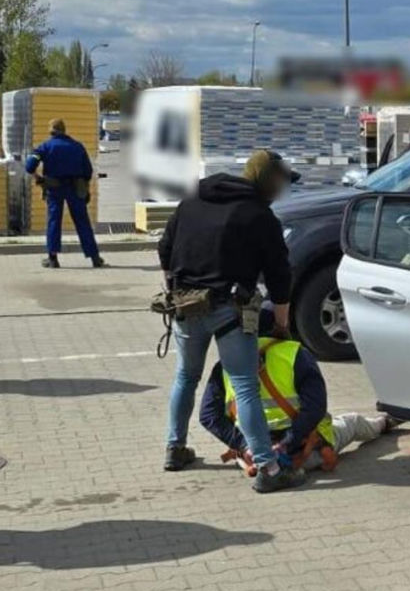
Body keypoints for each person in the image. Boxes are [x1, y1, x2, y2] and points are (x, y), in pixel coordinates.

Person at [157, 149, 304, 494]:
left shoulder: (193, 199)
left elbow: (165, 248)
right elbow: (280, 276)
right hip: (230, 310)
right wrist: (281, 324)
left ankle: (174, 448)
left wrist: (173, 288)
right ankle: (268, 467)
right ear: (267, 180)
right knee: (244, 384)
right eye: (282, 182)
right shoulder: (259, 216)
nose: (283, 190)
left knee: (186, 376)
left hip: (185, 304)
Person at [199, 309, 394, 475]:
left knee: (249, 453)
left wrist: (244, 445)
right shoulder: (295, 353)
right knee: (352, 422)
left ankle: (251, 461)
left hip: (256, 453)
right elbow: (316, 407)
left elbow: (208, 416)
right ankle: (387, 422)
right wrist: (286, 444)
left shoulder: (226, 363)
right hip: (301, 449)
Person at [25, 119, 104, 269]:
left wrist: (39, 179)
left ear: (51, 130)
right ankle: (94, 258)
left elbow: (29, 166)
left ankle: (53, 258)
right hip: (75, 188)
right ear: (64, 129)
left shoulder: (45, 147)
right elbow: (88, 171)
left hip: (54, 188)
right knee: (82, 222)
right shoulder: (77, 146)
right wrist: (85, 188)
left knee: (54, 221)